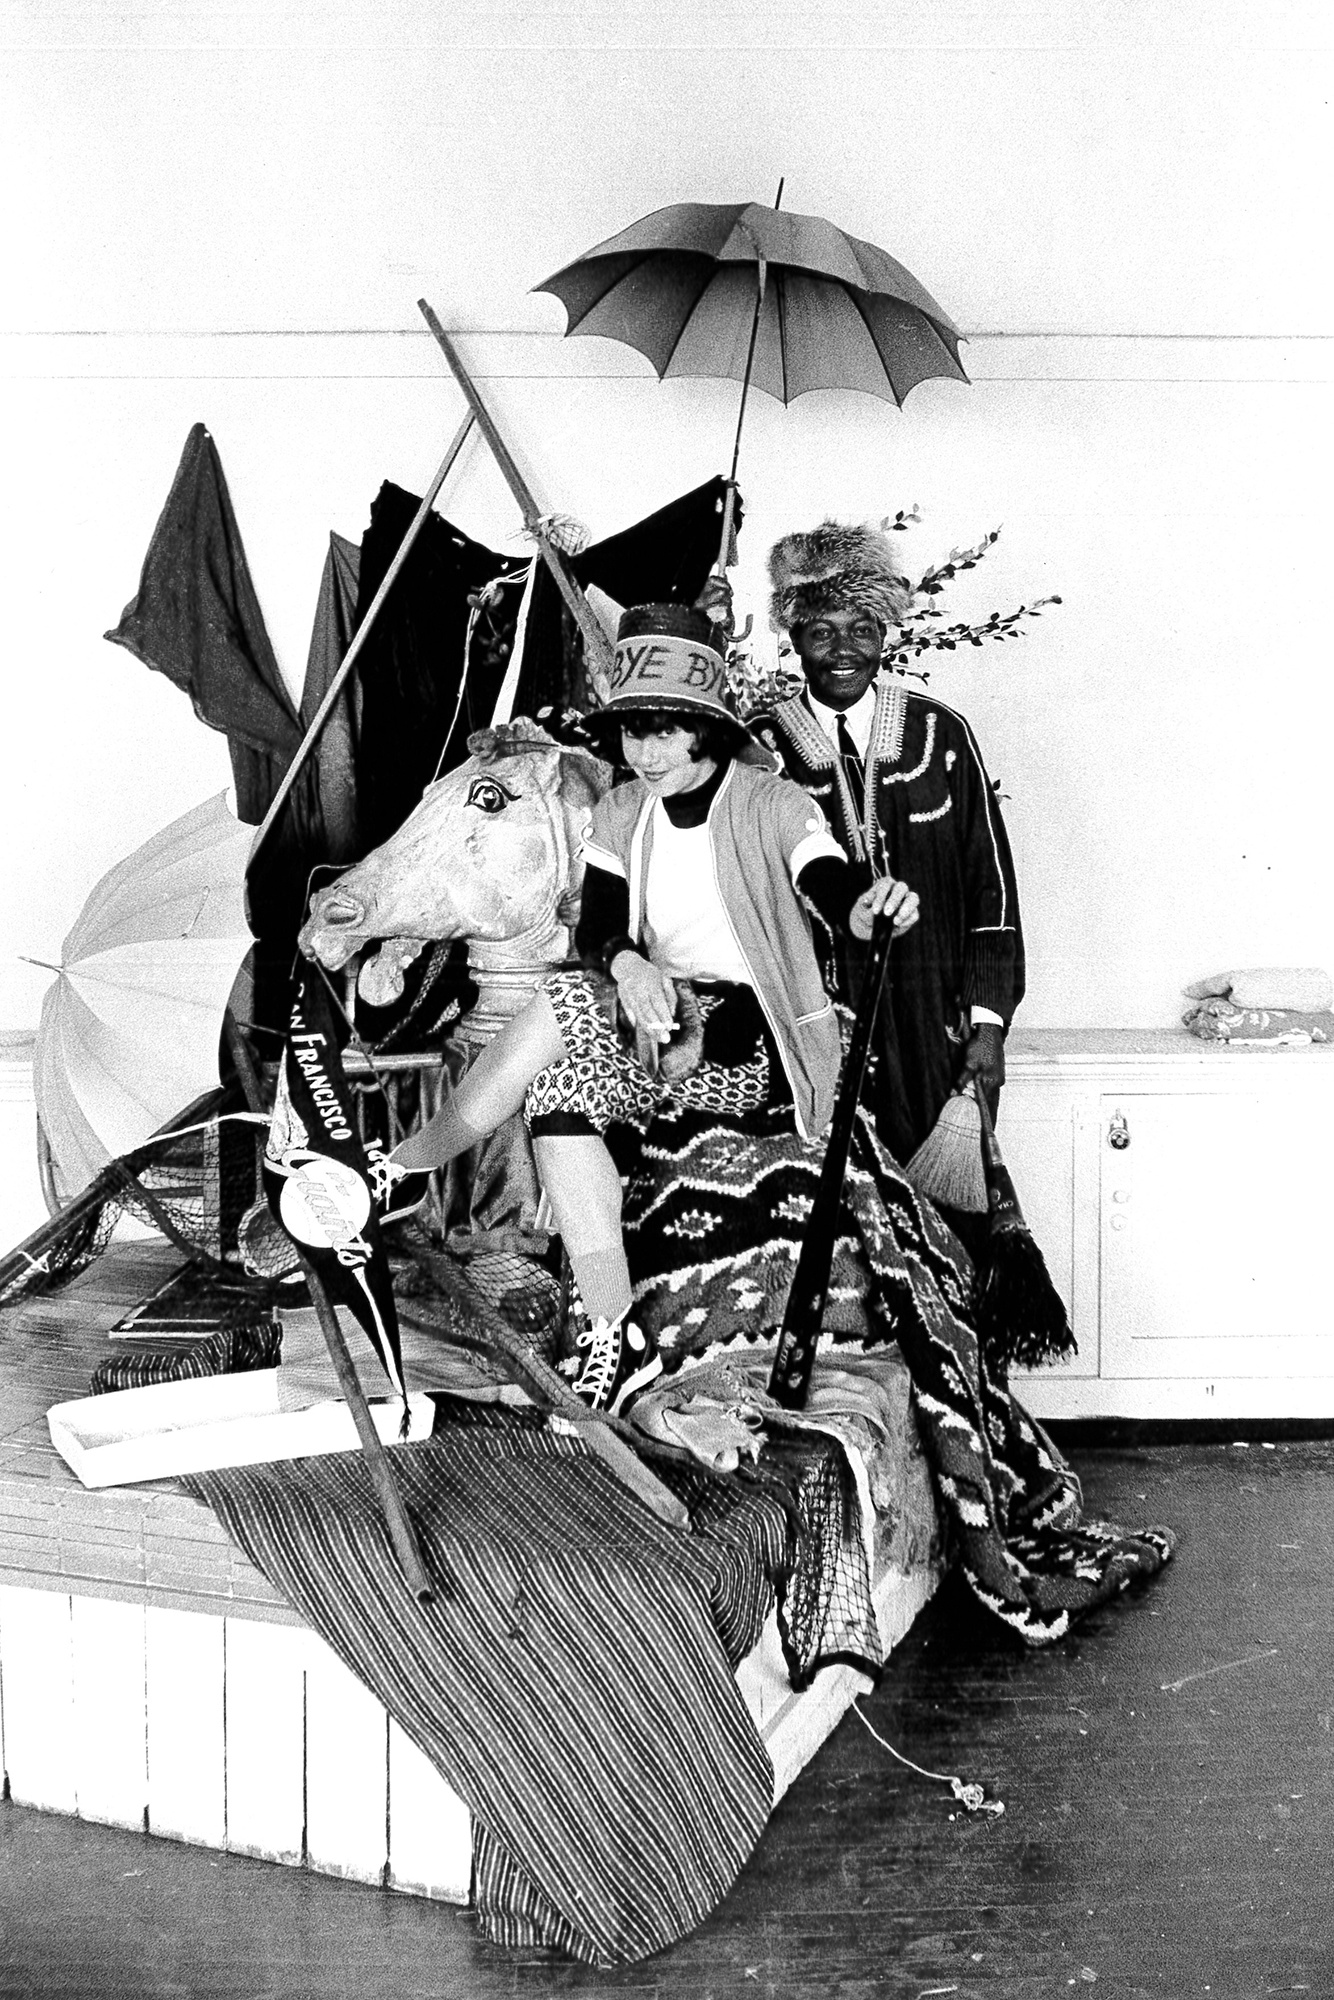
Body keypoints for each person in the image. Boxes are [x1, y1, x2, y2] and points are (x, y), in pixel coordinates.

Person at [390, 602, 919, 1412]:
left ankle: (405, 1166)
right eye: (635, 733)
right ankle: (609, 1331)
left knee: (561, 995)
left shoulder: (775, 806)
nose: (647, 753)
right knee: (558, 1095)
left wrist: (865, 905)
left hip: (749, 1042)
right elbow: (600, 925)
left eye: (668, 731)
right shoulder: (622, 810)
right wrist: (632, 965)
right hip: (649, 1021)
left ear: (707, 729)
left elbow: (827, 882)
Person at [736, 521, 1024, 1221]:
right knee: (832, 1224)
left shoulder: (940, 734)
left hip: (935, 1023)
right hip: (814, 1019)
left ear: (886, 634)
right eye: (820, 629)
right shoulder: (758, 747)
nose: (842, 649)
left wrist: (987, 1025)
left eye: (861, 628)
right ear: (793, 637)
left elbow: (993, 888)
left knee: (947, 1214)